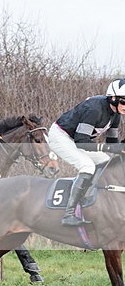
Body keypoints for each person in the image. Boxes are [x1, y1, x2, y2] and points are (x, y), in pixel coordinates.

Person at [48, 78, 125, 226]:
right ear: (113, 98)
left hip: (76, 138)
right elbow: (81, 141)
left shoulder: (116, 115)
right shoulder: (94, 109)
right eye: (124, 102)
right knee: (87, 166)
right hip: (61, 136)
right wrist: (109, 148)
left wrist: (120, 149)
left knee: (105, 160)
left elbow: (111, 144)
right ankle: (68, 214)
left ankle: (90, 200)